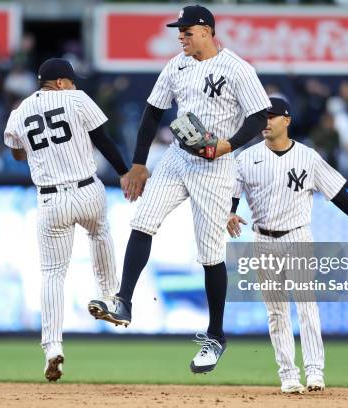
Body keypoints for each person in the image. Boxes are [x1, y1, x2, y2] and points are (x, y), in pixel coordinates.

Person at [87, 5, 271, 374]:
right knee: (143, 221)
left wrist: (227, 145)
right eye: (180, 31)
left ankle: (216, 335)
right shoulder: (177, 65)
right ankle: (123, 301)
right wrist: (138, 163)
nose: (181, 36)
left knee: (210, 254)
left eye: (187, 31)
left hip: (216, 166)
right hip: (178, 157)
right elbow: (152, 112)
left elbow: (259, 117)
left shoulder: (238, 68)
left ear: (206, 30)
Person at [228, 97, 348, 393]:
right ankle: (288, 375)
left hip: (297, 237)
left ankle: (315, 371)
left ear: (287, 120)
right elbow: (232, 193)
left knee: (306, 306)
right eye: (262, 117)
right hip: (263, 239)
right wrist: (229, 211)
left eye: (272, 116)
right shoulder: (245, 157)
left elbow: (338, 194)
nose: (266, 122)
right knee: (276, 311)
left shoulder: (308, 157)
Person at [3, 58, 128, 381]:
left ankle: (52, 347)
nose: (75, 85)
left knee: (52, 274)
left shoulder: (21, 110)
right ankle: (109, 295)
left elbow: (16, 150)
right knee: (100, 233)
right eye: (71, 80)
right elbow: (103, 139)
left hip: (51, 198)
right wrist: (125, 172)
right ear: (60, 82)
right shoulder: (77, 98)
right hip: (87, 189)